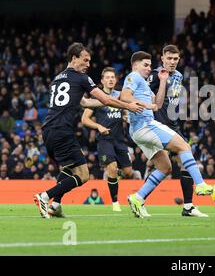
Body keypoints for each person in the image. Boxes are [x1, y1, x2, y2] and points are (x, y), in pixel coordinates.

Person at [33, 42, 145, 219]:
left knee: (69, 168)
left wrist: (112, 103)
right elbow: (106, 100)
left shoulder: (57, 78)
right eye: (85, 60)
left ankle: (55, 204)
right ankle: (44, 197)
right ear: (74, 58)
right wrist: (127, 106)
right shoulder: (81, 78)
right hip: (62, 130)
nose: (88, 64)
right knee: (84, 175)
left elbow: (85, 103)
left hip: (48, 130)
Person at [120, 51, 213, 218]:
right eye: (145, 65)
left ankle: (138, 198)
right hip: (148, 125)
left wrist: (163, 82)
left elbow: (157, 104)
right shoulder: (134, 76)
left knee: (165, 167)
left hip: (142, 129)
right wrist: (137, 106)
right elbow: (125, 95)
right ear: (135, 65)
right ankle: (200, 184)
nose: (149, 68)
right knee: (184, 147)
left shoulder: (152, 81)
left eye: (149, 65)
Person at [148, 44, 207, 217]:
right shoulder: (154, 76)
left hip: (173, 125)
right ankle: (139, 198)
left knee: (184, 163)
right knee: (165, 166)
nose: (172, 62)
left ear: (179, 59)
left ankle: (188, 206)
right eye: (169, 58)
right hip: (158, 125)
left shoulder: (179, 76)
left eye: (175, 59)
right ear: (163, 58)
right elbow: (145, 96)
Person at [81, 67, 137, 212]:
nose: (111, 79)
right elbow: (84, 119)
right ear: (102, 81)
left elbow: (125, 111)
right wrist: (98, 126)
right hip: (105, 140)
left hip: (120, 140)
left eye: (113, 77)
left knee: (128, 172)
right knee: (112, 168)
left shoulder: (120, 96)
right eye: (108, 77)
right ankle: (115, 202)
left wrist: (125, 116)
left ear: (116, 80)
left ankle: (114, 176)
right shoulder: (96, 98)